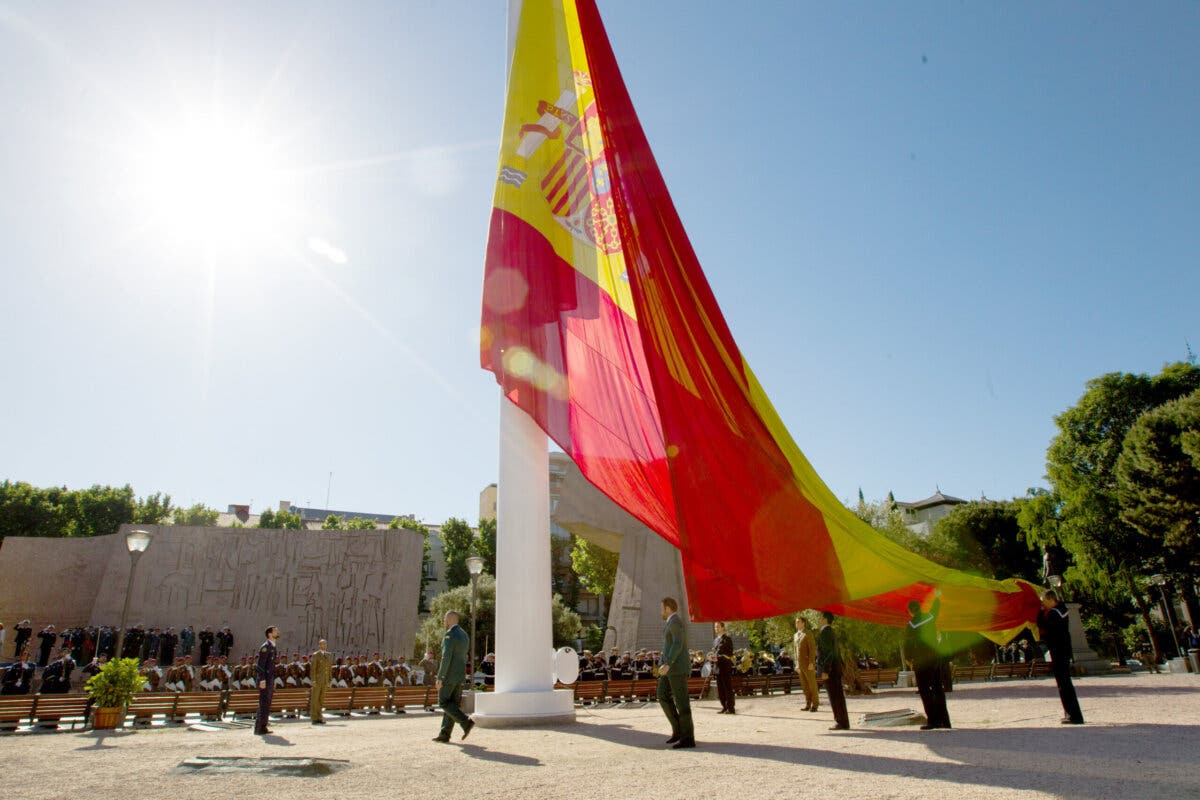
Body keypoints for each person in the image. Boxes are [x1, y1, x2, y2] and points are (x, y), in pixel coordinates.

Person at [905, 592, 951, 730]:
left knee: (925, 690)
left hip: (921, 661)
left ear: (910, 611)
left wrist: (909, 659)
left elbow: (908, 644)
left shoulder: (911, 625)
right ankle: (945, 721)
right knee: (938, 688)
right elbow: (935, 609)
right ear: (920, 608)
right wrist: (937, 596)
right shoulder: (930, 617)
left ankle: (933, 720)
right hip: (934, 658)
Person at [1037, 590, 1083, 724]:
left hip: (1058, 649)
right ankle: (1072, 714)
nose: (1042, 603)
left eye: (1043, 601)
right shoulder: (1061, 609)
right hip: (1064, 649)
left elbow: (1042, 626)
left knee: (1063, 684)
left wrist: (1040, 612)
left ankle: (1073, 716)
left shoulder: (1053, 613)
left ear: (1051, 599)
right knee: (1065, 683)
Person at [656, 597, 694, 749]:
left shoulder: (676, 621)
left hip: (676, 668)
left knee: (682, 703)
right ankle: (678, 731)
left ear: (668, 608)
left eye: (661, 608)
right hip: (669, 668)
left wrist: (667, 662)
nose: (661, 611)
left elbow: (678, 644)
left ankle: (688, 738)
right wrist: (663, 662)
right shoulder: (670, 622)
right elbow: (669, 645)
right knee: (662, 695)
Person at [433, 610, 474, 743]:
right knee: (452, 705)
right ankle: (445, 734)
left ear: (450, 619)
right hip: (460, 676)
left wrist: (440, 677)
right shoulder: (464, 635)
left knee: (443, 702)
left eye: (445, 619)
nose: (444, 621)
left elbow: (446, 657)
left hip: (449, 676)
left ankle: (466, 722)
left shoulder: (450, 634)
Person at [816, 611, 849, 730]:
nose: (819, 619)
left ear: (825, 619)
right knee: (839, 696)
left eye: (820, 617)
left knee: (834, 696)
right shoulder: (831, 632)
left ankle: (840, 721)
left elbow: (828, 653)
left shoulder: (825, 633)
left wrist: (825, 670)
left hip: (830, 670)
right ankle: (844, 722)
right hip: (835, 668)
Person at [255, 625, 280, 735]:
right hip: (264, 680)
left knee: (267, 703)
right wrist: (262, 679)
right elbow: (260, 665)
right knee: (263, 703)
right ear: (270, 634)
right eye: (275, 631)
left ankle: (263, 726)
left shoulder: (273, 647)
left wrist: (273, 679)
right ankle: (259, 728)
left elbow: (271, 666)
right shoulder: (265, 647)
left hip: (269, 679)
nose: (278, 632)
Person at [793, 615, 819, 712]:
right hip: (799, 665)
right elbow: (795, 651)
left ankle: (815, 705)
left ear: (803, 623)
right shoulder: (795, 635)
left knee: (812, 685)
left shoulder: (808, 633)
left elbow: (812, 649)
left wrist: (812, 662)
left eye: (799, 622)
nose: (797, 623)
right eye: (796, 622)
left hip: (808, 664)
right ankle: (808, 703)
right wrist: (796, 664)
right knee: (804, 686)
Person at [710, 621, 735, 714]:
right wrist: (712, 658)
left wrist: (718, 658)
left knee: (727, 688)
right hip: (717, 668)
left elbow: (729, 654)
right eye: (715, 627)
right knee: (720, 689)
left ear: (723, 628)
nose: (716, 629)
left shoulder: (727, 639)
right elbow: (715, 652)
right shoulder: (715, 640)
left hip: (725, 667)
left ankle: (731, 708)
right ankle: (724, 706)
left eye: (718, 627)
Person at [308, 639, 332, 725]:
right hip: (317, 680)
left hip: (325, 680)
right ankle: (314, 717)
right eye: (322, 644)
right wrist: (313, 680)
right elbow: (313, 669)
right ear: (319, 645)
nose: (324, 645)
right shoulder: (316, 655)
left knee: (321, 699)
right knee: (315, 699)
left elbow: (329, 668)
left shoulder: (329, 655)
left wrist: (329, 679)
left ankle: (320, 716)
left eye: (325, 644)